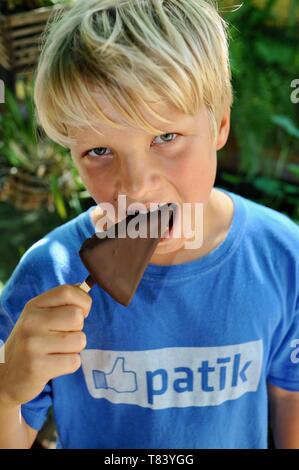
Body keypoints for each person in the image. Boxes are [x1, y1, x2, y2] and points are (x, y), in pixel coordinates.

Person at [0, 0, 299, 449]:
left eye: (165, 136)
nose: (136, 187)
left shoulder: (282, 257)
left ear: (219, 124)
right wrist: (6, 390)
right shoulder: (49, 276)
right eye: (99, 152)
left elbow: (290, 407)